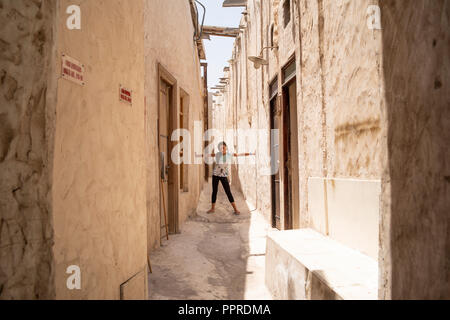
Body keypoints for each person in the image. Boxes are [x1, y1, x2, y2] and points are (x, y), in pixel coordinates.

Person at [205, 142, 253, 215]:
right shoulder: (218, 154)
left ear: (226, 147)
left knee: (228, 192)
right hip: (215, 175)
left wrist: (250, 153)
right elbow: (209, 155)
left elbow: (240, 154)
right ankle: (212, 208)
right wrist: (197, 155)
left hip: (224, 176)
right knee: (214, 191)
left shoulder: (229, 155)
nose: (222, 149)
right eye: (221, 148)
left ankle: (235, 209)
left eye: (223, 147)